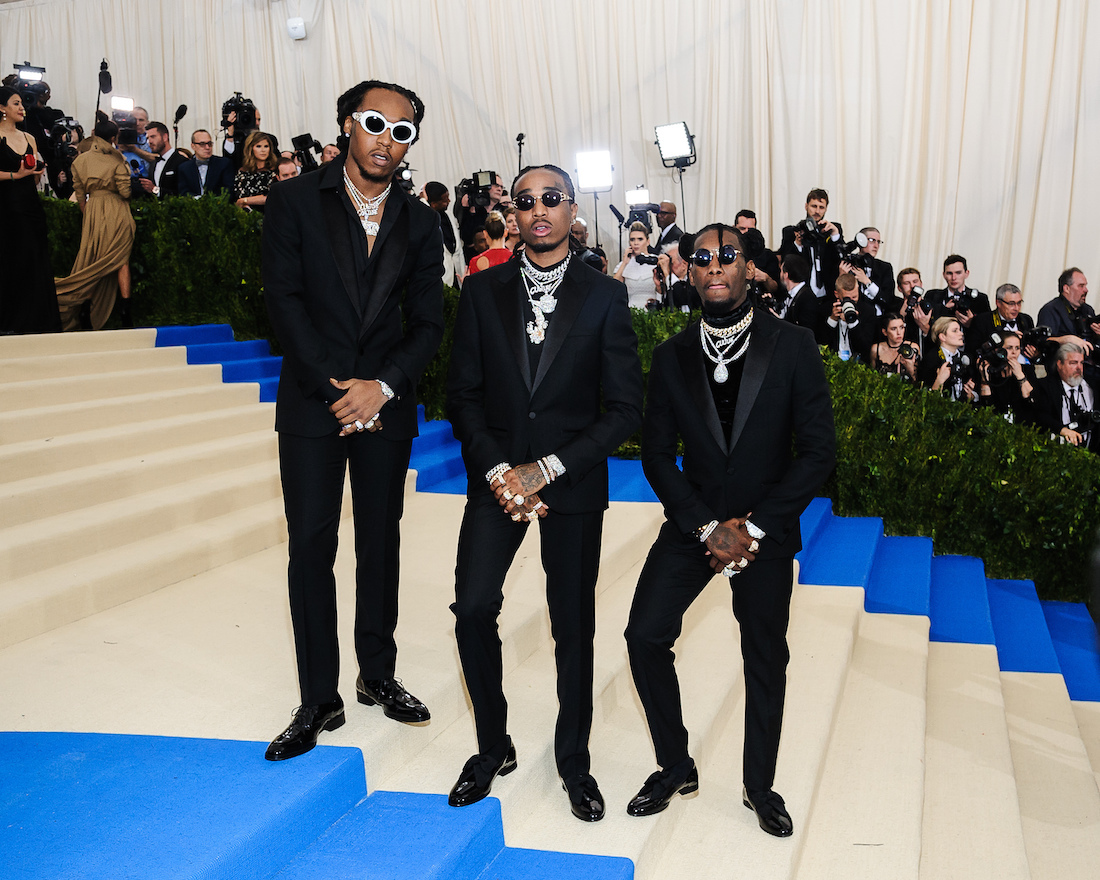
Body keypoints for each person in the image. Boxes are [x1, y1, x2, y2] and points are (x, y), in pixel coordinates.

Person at [445, 163, 643, 821]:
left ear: (571, 210)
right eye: (524, 200)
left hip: (572, 481)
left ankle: (573, 761)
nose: (537, 210)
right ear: (513, 213)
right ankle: (491, 744)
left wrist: (549, 467)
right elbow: (464, 395)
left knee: (572, 625)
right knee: (472, 606)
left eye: (551, 199)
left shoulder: (604, 295)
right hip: (497, 477)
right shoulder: (481, 291)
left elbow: (623, 409)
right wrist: (501, 469)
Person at [623, 223, 835, 838]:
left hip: (764, 530)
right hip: (695, 523)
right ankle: (674, 764)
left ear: (749, 268)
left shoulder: (793, 345)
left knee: (765, 658)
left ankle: (759, 787)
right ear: (688, 270)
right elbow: (658, 454)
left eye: (727, 256)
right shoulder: (669, 355)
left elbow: (817, 452)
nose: (714, 265)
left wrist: (758, 527)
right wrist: (706, 526)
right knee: (643, 636)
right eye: (701, 258)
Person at [261, 78, 444, 762]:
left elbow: (428, 323)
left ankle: (378, 675)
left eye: (403, 131)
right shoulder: (292, 200)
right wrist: (338, 388)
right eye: (375, 123)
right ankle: (319, 697)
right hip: (313, 402)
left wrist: (385, 386)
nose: (386, 140)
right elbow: (283, 302)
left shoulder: (423, 222)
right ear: (346, 124)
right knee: (311, 545)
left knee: (380, 542)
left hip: (385, 407)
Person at [54, 119, 136, 330]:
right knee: (121, 261)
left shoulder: (80, 161)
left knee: (92, 260)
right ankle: (126, 312)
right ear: (113, 138)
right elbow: (125, 191)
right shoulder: (117, 159)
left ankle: (84, 311)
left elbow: (80, 194)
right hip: (117, 210)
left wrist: (90, 214)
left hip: (92, 211)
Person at [0, 86, 62, 334]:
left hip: (29, 206)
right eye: (15, 103)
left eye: (21, 103)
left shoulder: (30, 138)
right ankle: (8, 322)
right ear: (2, 108)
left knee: (34, 259)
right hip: (4, 207)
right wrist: (17, 174)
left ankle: (37, 321)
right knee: (8, 259)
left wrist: (36, 172)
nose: (21, 107)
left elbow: (35, 180)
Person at [1025, 342, 1098, 452]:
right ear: (1059, 364)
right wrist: (1062, 429)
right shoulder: (1046, 386)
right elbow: (1041, 416)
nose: (1079, 368)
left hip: (1092, 452)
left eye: (1081, 363)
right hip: (1056, 452)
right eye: (1073, 363)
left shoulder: (1093, 387)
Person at [779, 188, 844, 299]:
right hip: (802, 295)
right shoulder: (791, 232)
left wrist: (835, 235)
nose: (817, 211)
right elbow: (786, 261)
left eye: (821, 207)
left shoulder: (832, 230)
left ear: (826, 209)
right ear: (806, 206)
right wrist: (798, 243)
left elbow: (841, 257)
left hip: (828, 294)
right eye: (814, 206)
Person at [816, 272, 875, 362]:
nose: (851, 301)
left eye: (854, 297)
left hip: (857, 365)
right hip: (831, 363)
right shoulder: (825, 309)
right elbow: (820, 344)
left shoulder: (867, 311)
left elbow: (865, 348)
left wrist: (853, 322)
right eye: (847, 298)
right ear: (837, 294)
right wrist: (832, 320)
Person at [1037, 268, 1098, 355]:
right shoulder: (1051, 310)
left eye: (1086, 286)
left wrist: (1098, 334)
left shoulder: (1088, 310)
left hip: (1088, 364)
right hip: (1061, 364)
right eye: (1081, 286)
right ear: (1066, 288)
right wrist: (1066, 340)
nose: (1086, 290)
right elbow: (1042, 342)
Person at [839, 226, 896, 316]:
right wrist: (842, 277)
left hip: (877, 318)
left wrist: (867, 282)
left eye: (878, 242)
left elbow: (888, 299)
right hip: (852, 315)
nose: (876, 246)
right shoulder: (848, 264)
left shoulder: (884, 267)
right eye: (872, 240)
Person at [977, 330, 1034, 417]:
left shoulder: (1028, 370)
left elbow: (1032, 401)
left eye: (1017, 348)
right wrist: (984, 380)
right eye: (1009, 348)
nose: (1014, 352)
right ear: (999, 350)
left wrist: (1020, 375)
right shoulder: (992, 371)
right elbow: (986, 408)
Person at [924, 254, 990, 328]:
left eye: (958, 273)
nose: (953, 278)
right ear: (944, 275)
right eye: (949, 273)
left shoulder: (980, 299)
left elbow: (987, 329)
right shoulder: (932, 296)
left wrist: (972, 323)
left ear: (966, 273)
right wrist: (943, 309)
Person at [919, 316, 976, 402]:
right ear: (942, 337)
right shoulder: (931, 359)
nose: (961, 333)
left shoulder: (966, 358)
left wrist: (970, 395)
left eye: (959, 330)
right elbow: (924, 396)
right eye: (955, 331)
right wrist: (939, 381)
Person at [614, 221, 659, 309]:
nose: (636, 243)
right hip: (630, 310)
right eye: (632, 239)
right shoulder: (625, 263)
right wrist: (624, 263)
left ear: (648, 241)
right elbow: (614, 285)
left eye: (640, 239)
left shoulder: (655, 261)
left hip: (653, 309)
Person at [177, 129, 235, 197]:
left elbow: (228, 191)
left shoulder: (223, 164)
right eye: (202, 144)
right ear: (193, 146)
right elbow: (183, 192)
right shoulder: (184, 168)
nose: (207, 147)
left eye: (209, 144)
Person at [138, 122, 186, 198]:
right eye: (147, 138)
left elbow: (184, 193)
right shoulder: (153, 163)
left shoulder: (181, 161)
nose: (149, 142)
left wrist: (155, 189)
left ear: (165, 137)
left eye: (153, 137)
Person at [233, 131, 278, 211]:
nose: (263, 150)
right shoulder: (243, 172)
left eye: (266, 146)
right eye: (258, 146)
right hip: (247, 216)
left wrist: (245, 200)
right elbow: (238, 196)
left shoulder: (275, 170)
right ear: (251, 148)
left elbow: (272, 196)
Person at [869, 313, 918, 382]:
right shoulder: (876, 349)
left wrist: (910, 369)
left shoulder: (912, 347)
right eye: (894, 329)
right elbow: (872, 376)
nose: (899, 332)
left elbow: (917, 382)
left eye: (901, 327)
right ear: (885, 332)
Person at [466, 210, 512, 274]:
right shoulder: (515, 259)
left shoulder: (475, 262)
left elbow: (474, 283)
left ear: (485, 234)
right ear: (506, 232)